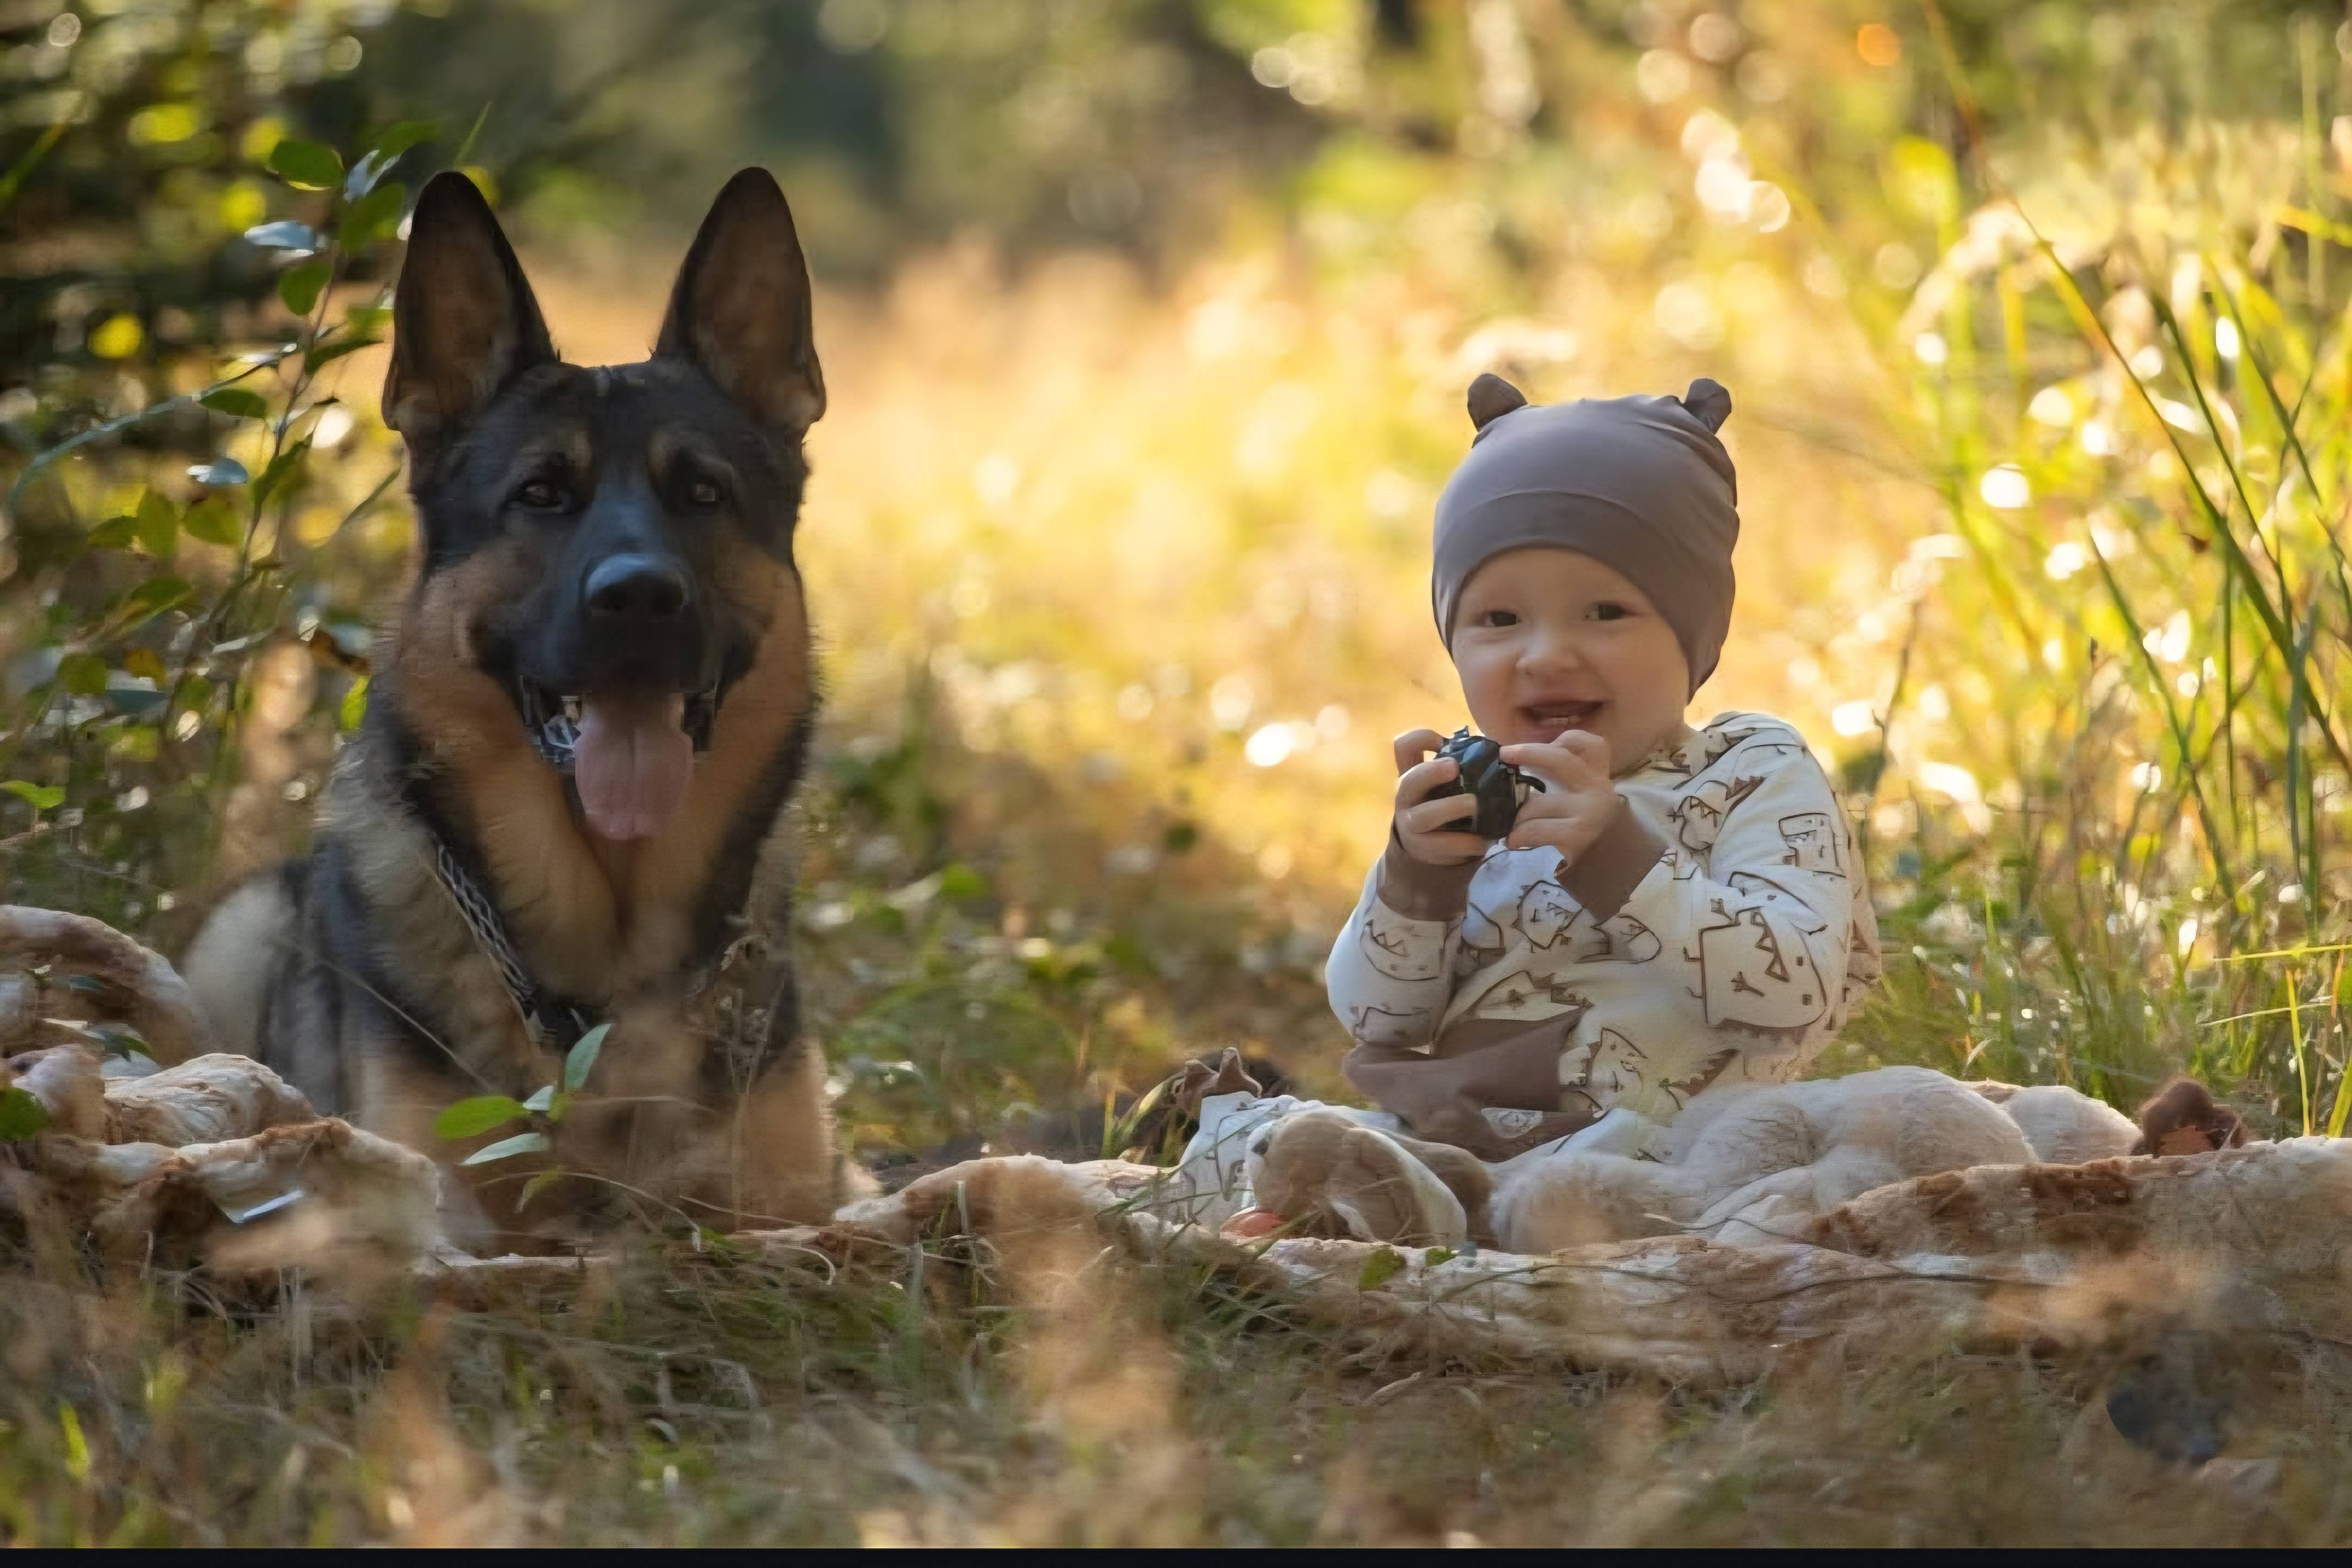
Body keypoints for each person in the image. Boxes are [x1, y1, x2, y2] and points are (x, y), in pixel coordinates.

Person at [1172, 372, 1882, 1238]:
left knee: (1595, 1204)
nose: (1547, 655)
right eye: (1500, 620)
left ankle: (1372, 1223)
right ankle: (1353, 1206)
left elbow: (1796, 988)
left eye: (1607, 612)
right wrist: (1417, 878)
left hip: (1661, 1147)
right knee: (1266, 1144)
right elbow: (1376, 1018)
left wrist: (1621, 860)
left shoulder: (1747, 769)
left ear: (1693, 630)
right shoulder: (1482, 790)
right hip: (1463, 1131)